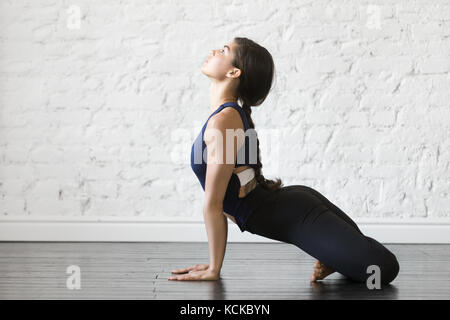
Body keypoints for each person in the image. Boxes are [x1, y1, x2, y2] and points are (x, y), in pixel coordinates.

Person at [169, 37, 400, 285]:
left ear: (234, 71)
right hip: (290, 205)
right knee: (366, 257)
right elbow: (225, 198)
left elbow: (213, 204)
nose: (214, 50)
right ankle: (336, 257)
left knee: (383, 270)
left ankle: (338, 257)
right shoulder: (225, 117)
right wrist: (213, 265)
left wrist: (214, 268)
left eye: (224, 50)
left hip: (293, 214)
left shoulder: (225, 119)